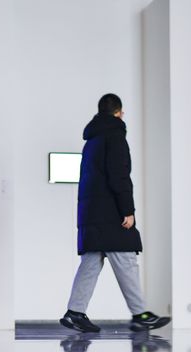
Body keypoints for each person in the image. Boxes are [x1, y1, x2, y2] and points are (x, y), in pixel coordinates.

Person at [61, 93, 170, 333]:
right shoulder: (115, 137)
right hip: (110, 214)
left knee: (91, 263)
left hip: (91, 213)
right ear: (119, 113)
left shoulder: (91, 140)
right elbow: (119, 176)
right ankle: (140, 314)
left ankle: (75, 312)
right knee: (126, 259)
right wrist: (128, 210)